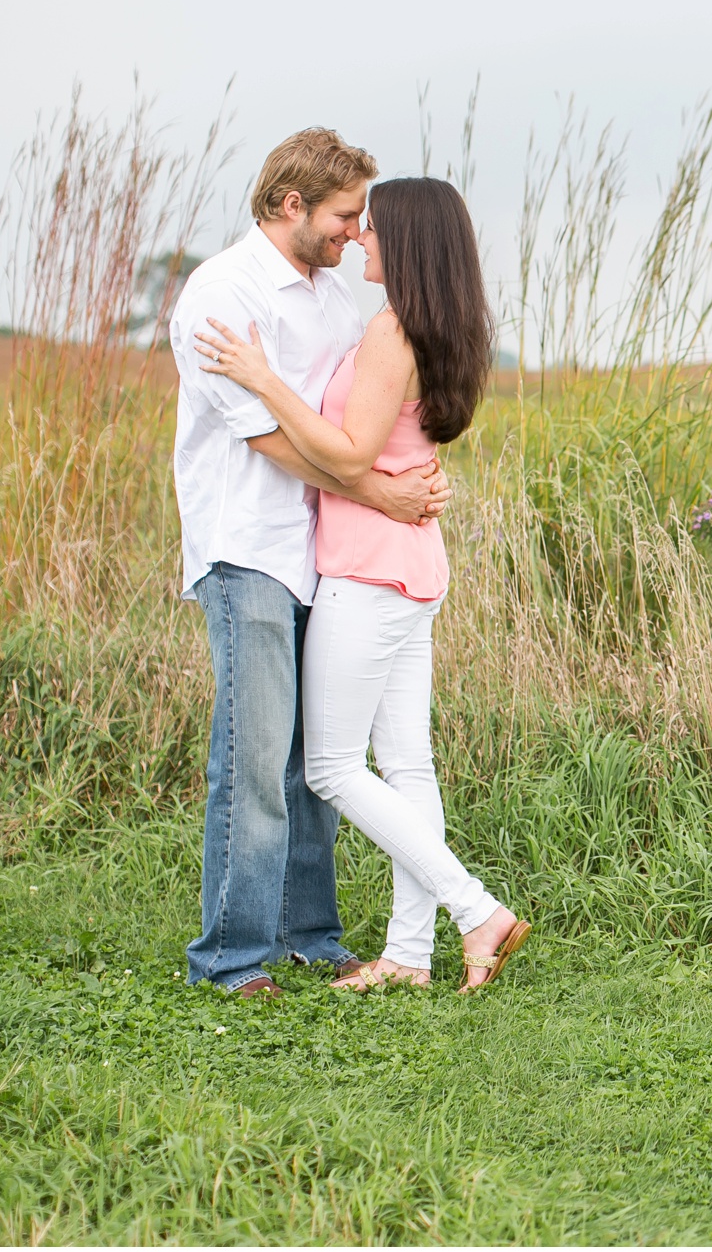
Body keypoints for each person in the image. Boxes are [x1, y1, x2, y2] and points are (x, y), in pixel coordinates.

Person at [194, 175, 529, 994]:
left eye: (373, 229)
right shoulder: (444, 327)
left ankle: (474, 908)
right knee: (408, 764)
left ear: (407, 244)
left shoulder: (390, 331)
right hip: (413, 562)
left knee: (333, 767)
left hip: (366, 566)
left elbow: (347, 454)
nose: (360, 240)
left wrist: (262, 376)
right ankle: (411, 955)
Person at [169, 129, 451, 999]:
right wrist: (384, 493)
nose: (355, 231)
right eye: (343, 214)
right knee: (253, 755)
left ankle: (308, 933)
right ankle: (233, 957)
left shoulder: (333, 295)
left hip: (324, 550)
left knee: (308, 757)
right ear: (291, 205)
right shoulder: (220, 295)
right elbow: (275, 440)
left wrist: (395, 476)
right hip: (248, 545)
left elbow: (358, 415)